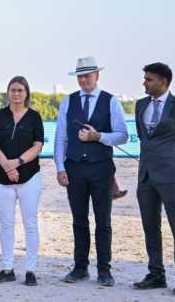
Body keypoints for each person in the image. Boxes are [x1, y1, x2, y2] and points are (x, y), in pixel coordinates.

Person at [54, 56, 128, 287]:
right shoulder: (68, 101)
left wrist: (99, 137)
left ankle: (104, 270)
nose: (84, 79)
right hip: (74, 167)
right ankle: (80, 267)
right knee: (79, 220)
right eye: (81, 75)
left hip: (101, 169)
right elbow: (60, 137)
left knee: (103, 221)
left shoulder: (111, 101)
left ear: (97, 75)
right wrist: (60, 167)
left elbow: (122, 135)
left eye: (88, 74)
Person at [132, 62, 175, 296]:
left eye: (149, 79)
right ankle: (156, 273)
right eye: (145, 78)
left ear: (163, 81)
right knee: (150, 226)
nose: (144, 83)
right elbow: (144, 138)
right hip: (146, 176)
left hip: (172, 176)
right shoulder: (140, 105)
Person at [0, 76, 44, 286]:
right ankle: (7, 268)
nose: (16, 94)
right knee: (6, 223)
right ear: (8, 92)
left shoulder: (35, 117)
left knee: (30, 223)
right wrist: (7, 165)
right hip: (1, 177)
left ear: (26, 93)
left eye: (20, 90)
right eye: (13, 90)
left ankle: (30, 269)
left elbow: (38, 146)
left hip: (29, 177)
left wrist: (17, 163)